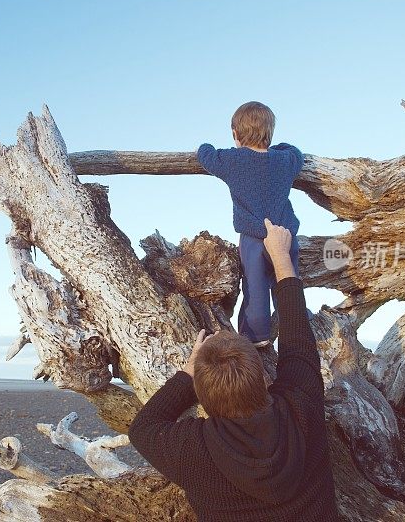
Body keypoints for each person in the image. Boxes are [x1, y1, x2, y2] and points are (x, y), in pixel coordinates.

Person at [128, 219, 338, 522]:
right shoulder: (301, 407)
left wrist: (189, 374)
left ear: (202, 395)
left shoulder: (192, 448)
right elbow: (297, 339)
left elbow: (143, 428)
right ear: (261, 379)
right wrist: (280, 258)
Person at [196, 101, 304, 345]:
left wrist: (205, 144)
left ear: (235, 133)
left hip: (253, 238)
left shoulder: (233, 160)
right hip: (285, 235)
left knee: (254, 289)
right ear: (270, 132)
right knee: (288, 282)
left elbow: (205, 155)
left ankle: (256, 336)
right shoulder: (285, 160)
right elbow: (296, 152)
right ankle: (296, 329)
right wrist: (279, 147)